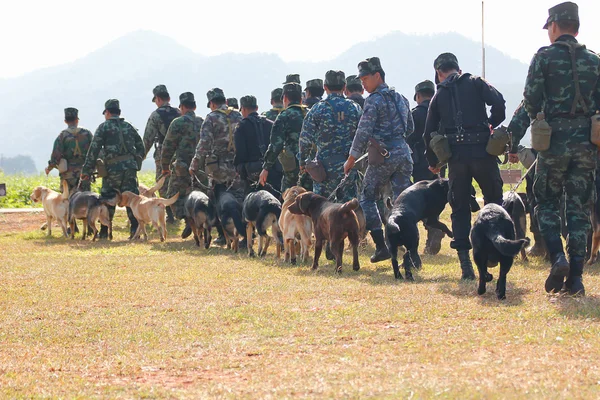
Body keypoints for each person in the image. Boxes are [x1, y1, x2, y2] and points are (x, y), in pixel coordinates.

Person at [519, 1, 600, 295]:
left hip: (552, 143)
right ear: (575, 27)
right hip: (586, 147)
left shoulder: (543, 57)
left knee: (546, 202)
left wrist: (539, 118)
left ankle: (557, 256)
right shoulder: (594, 60)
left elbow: (530, 98)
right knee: (579, 209)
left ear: (554, 26)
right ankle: (576, 277)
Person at [423, 53, 506, 280]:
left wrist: (433, 162)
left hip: (457, 160)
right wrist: (491, 123)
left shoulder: (439, 95)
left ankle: (466, 267)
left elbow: (428, 132)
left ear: (439, 73)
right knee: (493, 204)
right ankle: (491, 252)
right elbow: (499, 103)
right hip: (483, 153)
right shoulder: (476, 82)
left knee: (459, 210)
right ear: (458, 68)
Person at [343, 57, 414, 263]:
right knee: (403, 202)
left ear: (378, 76)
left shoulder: (373, 100)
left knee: (367, 196)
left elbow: (363, 131)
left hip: (383, 156)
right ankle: (411, 252)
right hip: (403, 153)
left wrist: (351, 158)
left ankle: (381, 246)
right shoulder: (401, 97)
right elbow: (410, 128)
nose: (363, 83)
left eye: (366, 78)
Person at [80, 99, 145, 238]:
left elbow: (93, 150)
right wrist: (135, 160)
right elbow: (141, 147)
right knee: (132, 199)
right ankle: (135, 231)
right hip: (129, 169)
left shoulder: (103, 127)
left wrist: (86, 171)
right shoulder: (128, 126)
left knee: (108, 198)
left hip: (112, 170)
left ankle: (104, 232)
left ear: (108, 112)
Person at [299, 70, 361, 202]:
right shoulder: (355, 108)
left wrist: (302, 162)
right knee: (349, 209)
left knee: (323, 211)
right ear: (344, 87)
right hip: (348, 167)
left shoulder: (317, 109)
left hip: (324, 170)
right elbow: (364, 136)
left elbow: (305, 140)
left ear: (325, 88)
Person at [406, 80, 445, 255]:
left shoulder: (415, 115)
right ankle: (434, 229)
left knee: (422, 199)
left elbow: (408, 137)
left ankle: (433, 230)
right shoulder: (442, 110)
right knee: (436, 197)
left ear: (418, 96)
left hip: (421, 163)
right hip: (441, 161)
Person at [160, 92, 203, 231]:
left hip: (182, 166)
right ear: (195, 107)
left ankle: (187, 219)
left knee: (173, 195)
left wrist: (165, 166)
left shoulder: (178, 123)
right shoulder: (202, 121)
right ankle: (197, 220)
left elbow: (168, 146)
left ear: (182, 107)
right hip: (200, 166)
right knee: (199, 194)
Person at [259, 82, 307, 192]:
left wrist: (266, 168)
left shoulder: (284, 116)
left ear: (285, 98)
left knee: (288, 198)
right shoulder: (310, 113)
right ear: (301, 98)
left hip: (292, 167)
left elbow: (276, 145)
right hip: (311, 166)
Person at [143, 84, 180, 224]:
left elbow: (148, 139)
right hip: (180, 154)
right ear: (168, 98)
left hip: (163, 155)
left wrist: (141, 157)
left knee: (162, 184)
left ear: (157, 99)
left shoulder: (155, 115)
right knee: (180, 182)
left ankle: (169, 215)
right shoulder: (179, 112)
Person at [234, 95, 282, 194]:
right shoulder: (271, 124)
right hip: (273, 170)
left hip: (252, 174)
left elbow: (240, 154)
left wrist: (239, 169)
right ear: (256, 108)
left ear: (242, 109)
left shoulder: (241, 127)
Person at [45, 107, 93, 192]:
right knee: (84, 200)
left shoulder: (62, 136)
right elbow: (95, 151)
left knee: (67, 201)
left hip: (68, 175)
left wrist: (49, 168)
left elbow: (55, 157)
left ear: (65, 121)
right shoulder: (87, 133)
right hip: (84, 173)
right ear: (77, 120)